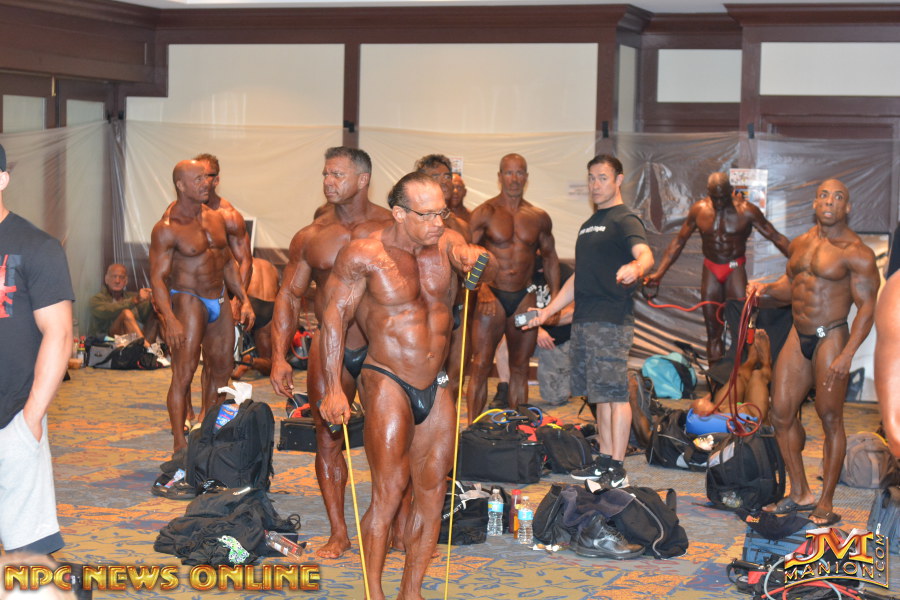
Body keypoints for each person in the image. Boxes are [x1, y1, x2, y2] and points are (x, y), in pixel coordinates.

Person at [319, 171, 494, 600]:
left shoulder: (447, 242)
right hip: (387, 378)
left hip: (436, 382)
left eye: (441, 212)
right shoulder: (364, 254)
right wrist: (333, 387)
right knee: (390, 490)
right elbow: (334, 316)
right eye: (426, 214)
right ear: (399, 213)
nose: (437, 222)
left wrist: (475, 257)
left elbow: (470, 256)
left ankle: (410, 591)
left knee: (432, 492)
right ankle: (374, 592)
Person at [269, 146, 393, 559]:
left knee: (387, 441)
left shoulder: (391, 228)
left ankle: (389, 524)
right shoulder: (312, 235)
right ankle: (338, 533)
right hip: (330, 349)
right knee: (326, 439)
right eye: (325, 174)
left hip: (381, 347)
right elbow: (289, 295)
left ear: (362, 179)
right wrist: (279, 356)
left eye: (338, 175)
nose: (328, 182)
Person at [748, 178, 879, 526]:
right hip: (798, 333)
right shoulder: (802, 244)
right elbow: (791, 287)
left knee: (830, 417)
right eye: (824, 195)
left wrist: (847, 354)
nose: (829, 201)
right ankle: (800, 493)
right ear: (814, 203)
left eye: (838, 197)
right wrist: (762, 291)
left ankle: (826, 501)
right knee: (780, 413)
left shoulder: (856, 252)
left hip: (831, 335)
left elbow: (867, 307)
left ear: (847, 207)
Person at [527, 154, 653, 488]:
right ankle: (604, 461)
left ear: (618, 180)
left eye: (602, 178)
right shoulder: (588, 225)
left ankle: (617, 467)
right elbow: (578, 278)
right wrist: (548, 312)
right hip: (584, 321)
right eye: (591, 178)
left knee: (615, 394)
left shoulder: (625, 219)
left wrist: (637, 267)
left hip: (611, 321)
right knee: (600, 396)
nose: (595, 185)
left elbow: (645, 254)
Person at [149, 159, 254, 455]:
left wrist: (243, 298)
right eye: (197, 179)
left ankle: (209, 429)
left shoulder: (216, 218)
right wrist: (169, 318)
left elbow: (228, 263)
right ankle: (179, 443)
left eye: (206, 178)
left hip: (217, 296)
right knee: (184, 372)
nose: (205, 183)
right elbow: (157, 278)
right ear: (180, 185)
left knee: (222, 368)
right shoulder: (167, 228)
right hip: (188, 298)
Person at [0, 143, 74, 555]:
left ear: (3, 179)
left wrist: (31, 417)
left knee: (26, 556)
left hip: (11, 415)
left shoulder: (36, 246)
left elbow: (59, 334)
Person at [644, 172, 790, 364]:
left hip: (734, 267)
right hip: (711, 269)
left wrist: (801, 262)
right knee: (713, 331)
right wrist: (659, 273)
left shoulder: (747, 210)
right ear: (708, 193)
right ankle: (715, 382)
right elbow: (679, 241)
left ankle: (743, 379)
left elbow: (775, 236)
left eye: (723, 197)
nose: (719, 202)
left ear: (730, 191)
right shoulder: (699, 209)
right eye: (715, 198)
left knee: (743, 328)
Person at [466, 153, 560, 420]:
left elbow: (550, 258)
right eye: (509, 172)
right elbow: (468, 254)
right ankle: (473, 427)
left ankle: (519, 428)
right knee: (481, 364)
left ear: (526, 178)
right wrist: (481, 287)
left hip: (524, 298)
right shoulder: (485, 212)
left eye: (520, 173)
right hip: (491, 295)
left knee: (520, 366)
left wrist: (554, 302)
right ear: (500, 177)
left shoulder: (538, 217)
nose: (514, 178)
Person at [414, 154, 472, 405]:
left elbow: (470, 269)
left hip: (454, 309)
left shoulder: (461, 225)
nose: (444, 181)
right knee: (420, 378)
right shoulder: (412, 222)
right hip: (420, 310)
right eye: (435, 176)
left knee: (454, 378)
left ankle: (447, 424)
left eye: (446, 175)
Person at [532, 257, 575, 407]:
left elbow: (572, 313)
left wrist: (541, 320)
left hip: (559, 338)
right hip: (530, 332)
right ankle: (505, 388)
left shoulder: (566, 272)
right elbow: (515, 310)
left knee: (556, 398)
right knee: (503, 344)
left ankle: (570, 377)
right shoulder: (524, 271)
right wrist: (537, 330)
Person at [88, 263, 159, 347]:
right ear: (106, 279)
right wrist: (135, 300)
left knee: (156, 313)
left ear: (126, 281)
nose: (117, 281)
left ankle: (161, 348)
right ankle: (147, 348)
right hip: (108, 341)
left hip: (133, 339)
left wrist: (153, 300)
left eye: (121, 277)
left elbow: (146, 312)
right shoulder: (96, 300)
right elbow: (109, 310)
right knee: (126, 313)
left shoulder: (131, 296)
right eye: (114, 276)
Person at [232, 257, 279, 379]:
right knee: (269, 361)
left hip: (249, 303)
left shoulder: (237, 263)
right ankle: (251, 361)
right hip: (270, 307)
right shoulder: (269, 265)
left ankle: (225, 360)